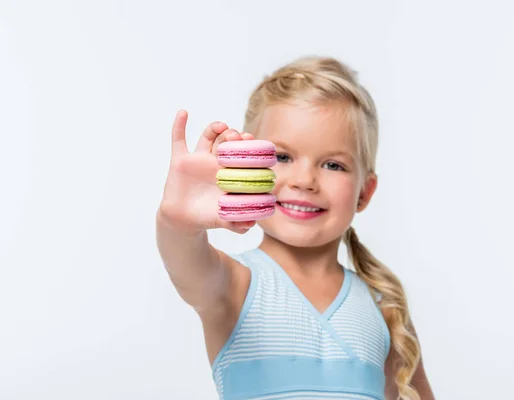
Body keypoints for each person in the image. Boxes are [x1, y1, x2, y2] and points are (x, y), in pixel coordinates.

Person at [156, 56, 435, 400]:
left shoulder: (384, 309)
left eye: (333, 164)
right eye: (283, 157)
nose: (304, 181)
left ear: (365, 192)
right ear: (247, 170)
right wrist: (177, 222)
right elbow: (184, 259)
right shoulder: (234, 286)